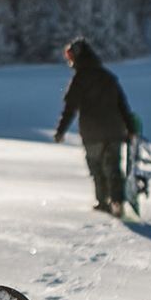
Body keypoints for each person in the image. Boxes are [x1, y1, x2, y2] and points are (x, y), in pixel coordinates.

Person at [54, 37, 137, 217]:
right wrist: (131, 129)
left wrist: (61, 131)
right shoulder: (108, 77)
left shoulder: (79, 80)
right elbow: (123, 105)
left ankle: (103, 202)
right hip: (115, 131)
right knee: (114, 168)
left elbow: (70, 108)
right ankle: (117, 202)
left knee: (97, 169)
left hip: (92, 133)